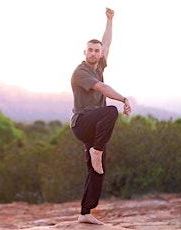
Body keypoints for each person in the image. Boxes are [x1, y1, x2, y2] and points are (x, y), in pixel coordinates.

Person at [70, 7, 132, 225]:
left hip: (93, 128)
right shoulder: (81, 72)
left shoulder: (100, 64)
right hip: (82, 123)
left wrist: (109, 20)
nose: (94, 53)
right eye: (90, 50)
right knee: (111, 111)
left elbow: (107, 42)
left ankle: (85, 212)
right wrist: (123, 99)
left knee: (97, 169)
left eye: (97, 51)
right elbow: (103, 89)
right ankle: (96, 149)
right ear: (84, 52)